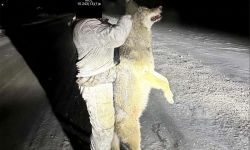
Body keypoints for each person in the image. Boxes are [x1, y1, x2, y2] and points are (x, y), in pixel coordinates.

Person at [72, 15, 132, 150]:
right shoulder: (86, 25)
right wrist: (127, 18)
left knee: (106, 127)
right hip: (95, 85)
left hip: (100, 81)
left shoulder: (90, 24)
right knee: (103, 131)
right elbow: (116, 37)